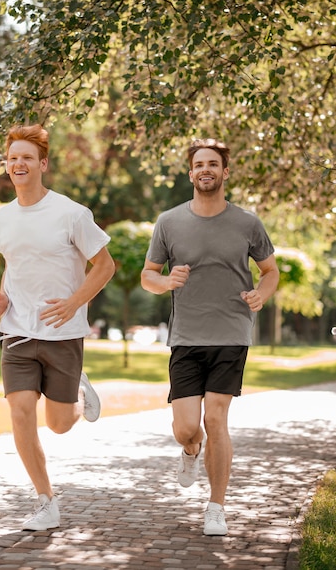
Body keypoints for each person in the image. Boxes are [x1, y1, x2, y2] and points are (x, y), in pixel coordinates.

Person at [141, 138, 279, 536]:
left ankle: (216, 507)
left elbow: (270, 271)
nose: (206, 169)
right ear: (190, 173)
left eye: (213, 164)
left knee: (216, 418)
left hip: (231, 333)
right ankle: (190, 451)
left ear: (224, 172)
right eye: (199, 163)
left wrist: (261, 294)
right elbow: (148, 276)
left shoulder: (247, 223)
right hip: (185, 336)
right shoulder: (168, 222)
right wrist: (166, 281)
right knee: (187, 427)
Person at [0, 124, 115, 531]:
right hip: (17, 332)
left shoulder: (72, 213)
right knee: (20, 411)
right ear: (6, 167)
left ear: (42, 163)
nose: (19, 163)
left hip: (62, 334)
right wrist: (3, 298)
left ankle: (77, 385)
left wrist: (75, 302)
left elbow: (106, 266)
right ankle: (46, 501)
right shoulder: (3, 218)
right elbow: (14, 266)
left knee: (59, 425)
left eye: (27, 157)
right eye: (13, 158)